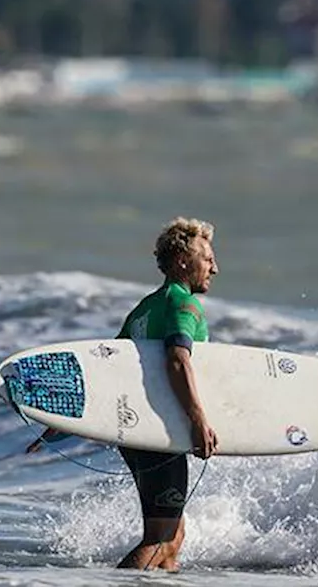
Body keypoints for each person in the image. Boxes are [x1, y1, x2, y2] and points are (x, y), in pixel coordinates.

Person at [26, 217, 220, 571]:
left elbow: (108, 368)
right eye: (207, 258)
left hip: (136, 432)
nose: (215, 267)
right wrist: (198, 420)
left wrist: (63, 417)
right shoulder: (184, 305)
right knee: (160, 539)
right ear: (182, 261)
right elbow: (178, 361)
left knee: (171, 538)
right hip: (158, 431)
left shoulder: (144, 308)